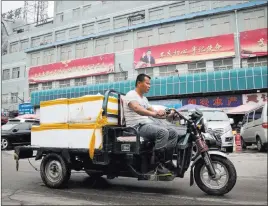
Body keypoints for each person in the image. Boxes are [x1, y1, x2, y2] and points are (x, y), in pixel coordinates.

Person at [123, 73, 185, 175]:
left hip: (146, 125)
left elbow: (155, 114)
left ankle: (167, 162)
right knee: (162, 131)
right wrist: (154, 113)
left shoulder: (144, 99)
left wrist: (168, 115)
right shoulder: (131, 94)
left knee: (173, 132)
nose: (149, 86)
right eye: (147, 83)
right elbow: (137, 108)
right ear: (139, 83)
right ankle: (157, 166)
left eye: (149, 84)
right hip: (136, 127)